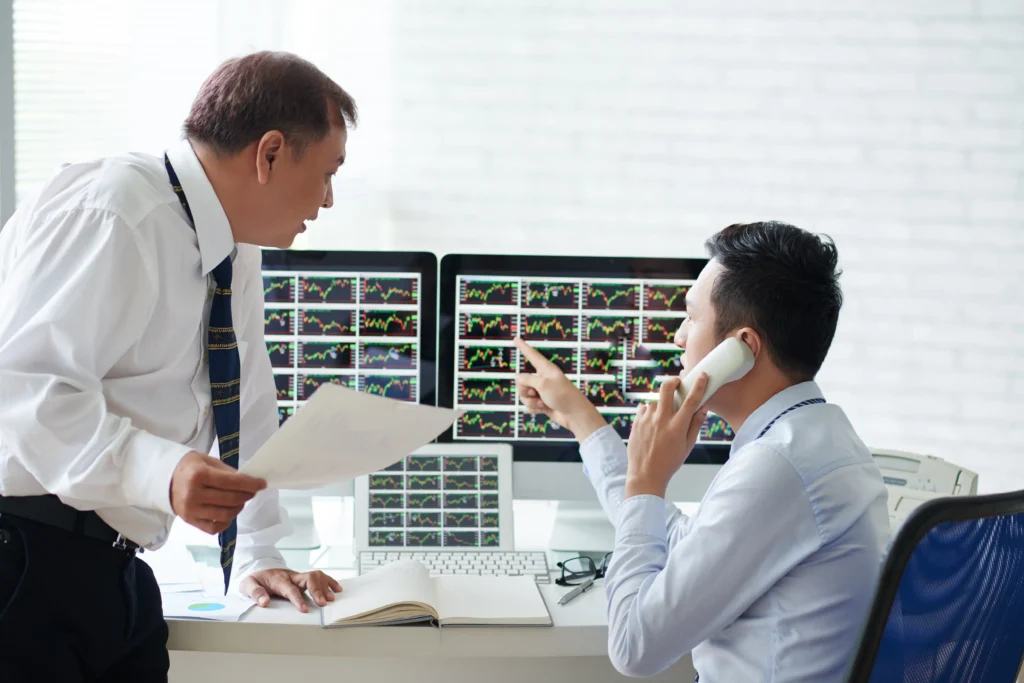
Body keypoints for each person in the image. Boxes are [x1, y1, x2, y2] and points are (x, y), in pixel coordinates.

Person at [0, 52, 353, 681]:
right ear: (269, 154)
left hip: (115, 570)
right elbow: (25, 391)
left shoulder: (232, 248)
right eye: (328, 173)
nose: (327, 200)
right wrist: (163, 472)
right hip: (27, 559)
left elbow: (246, 398)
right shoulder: (113, 213)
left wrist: (257, 551)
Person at [516, 221, 889, 682]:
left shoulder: (777, 468)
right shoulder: (818, 438)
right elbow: (690, 545)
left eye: (691, 318)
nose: (677, 337)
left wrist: (646, 484)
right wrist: (582, 420)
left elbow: (633, 648)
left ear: (742, 350)